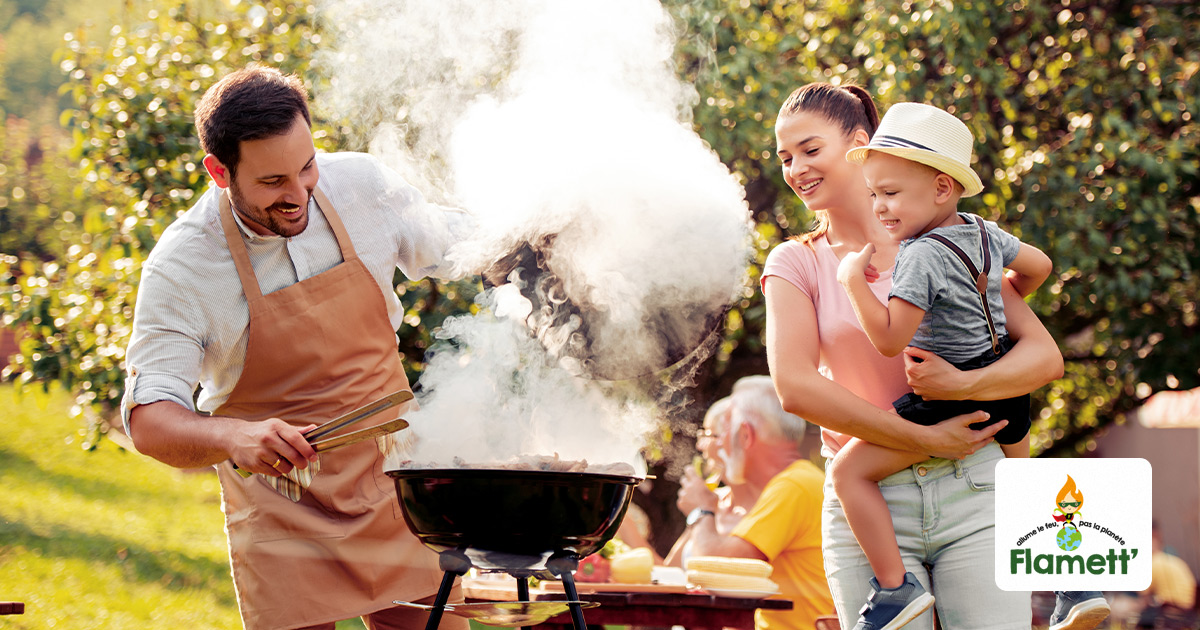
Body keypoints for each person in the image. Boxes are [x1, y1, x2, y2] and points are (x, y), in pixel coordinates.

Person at [120, 66, 472, 630]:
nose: (298, 193)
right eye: (271, 182)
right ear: (218, 172)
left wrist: (539, 231)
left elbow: (452, 245)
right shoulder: (183, 266)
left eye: (306, 166)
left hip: (392, 483)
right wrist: (233, 435)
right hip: (280, 507)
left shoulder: (359, 185)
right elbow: (149, 420)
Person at [761, 83, 1065, 629]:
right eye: (785, 157)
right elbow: (795, 386)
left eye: (810, 150)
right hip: (870, 502)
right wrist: (922, 438)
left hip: (973, 484)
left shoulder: (944, 241)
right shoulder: (795, 262)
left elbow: (1042, 357)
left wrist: (962, 386)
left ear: (860, 143)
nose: (796, 169)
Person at [687, 376, 835, 630]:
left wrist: (701, 509)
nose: (719, 444)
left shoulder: (794, 486)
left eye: (723, 433)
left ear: (745, 435)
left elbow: (719, 572)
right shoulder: (795, 481)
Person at [666, 396, 757, 567]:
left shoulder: (764, 504)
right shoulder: (714, 501)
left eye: (709, 434)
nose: (700, 445)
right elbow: (671, 571)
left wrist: (702, 509)